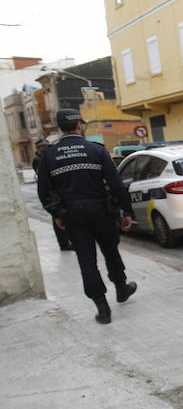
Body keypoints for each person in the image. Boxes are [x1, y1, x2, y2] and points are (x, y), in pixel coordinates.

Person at [37, 109, 138, 324]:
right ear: (79, 125)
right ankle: (121, 289)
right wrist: (126, 211)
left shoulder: (49, 155)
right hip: (101, 211)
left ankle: (102, 308)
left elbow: (44, 191)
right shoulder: (96, 150)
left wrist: (56, 214)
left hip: (72, 215)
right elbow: (116, 185)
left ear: (60, 127)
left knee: (86, 260)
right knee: (111, 252)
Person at [33, 139, 73, 251]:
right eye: (41, 147)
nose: (43, 149)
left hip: (57, 189)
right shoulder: (39, 160)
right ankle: (64, 243)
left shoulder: (48, 157)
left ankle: (68, 240)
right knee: (58, 217)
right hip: (52, 192)